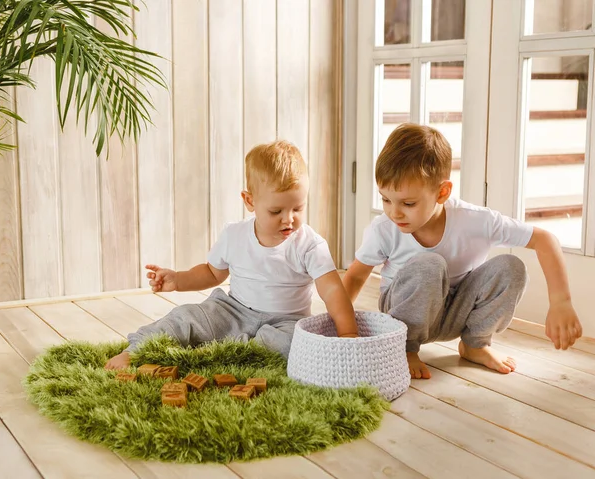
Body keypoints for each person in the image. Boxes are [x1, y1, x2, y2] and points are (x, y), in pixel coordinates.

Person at [342, 123, 582, 379]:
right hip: (403, 314)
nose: (394, 212)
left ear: (442, 192)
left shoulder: (475, 220)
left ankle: (475, 344)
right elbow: (356, 276)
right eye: (385, 199)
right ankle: (405, 348)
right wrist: (340, 324)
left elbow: (545, 240)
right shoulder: (383, 229)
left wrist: (561, 302)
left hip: (456, 310)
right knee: (429, 265)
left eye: (408, 203)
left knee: (512, 268)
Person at [105, 140, 358, 370]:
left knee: (292, 345)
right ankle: (135, 351)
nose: (288, 219)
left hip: (286, 321)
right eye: (276, 211)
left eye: (298, 208)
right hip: (233, 310)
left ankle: (228, 360)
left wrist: (348, 336)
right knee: (184, 317)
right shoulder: (234, 235)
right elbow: (212, 272)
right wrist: (178, 280)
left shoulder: (310, 245)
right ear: (250, 201)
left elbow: (333, 292)